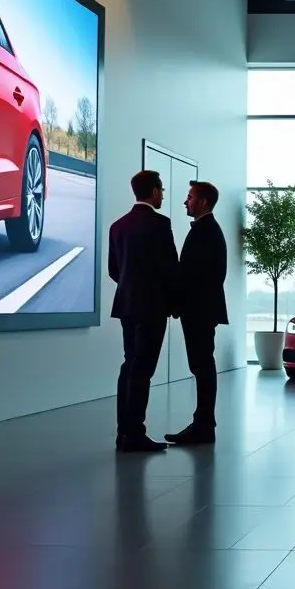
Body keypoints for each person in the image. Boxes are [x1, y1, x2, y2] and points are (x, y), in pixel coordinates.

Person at [108, 170, 178, 452]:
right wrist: (173, 301)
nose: (162, 194)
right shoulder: (160, 224)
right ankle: (135, 434)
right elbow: (169, 269)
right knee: (143, 369)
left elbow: (115, 271)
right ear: (153, 191)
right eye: (161, 189)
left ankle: (123, 433)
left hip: (126, 304)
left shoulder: (118, 226)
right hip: (152, 307)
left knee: (129, 365)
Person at [166, 181, 228, 446]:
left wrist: (178, 300)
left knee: (202, 366)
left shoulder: (207, 231)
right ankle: (203, 424)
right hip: (202, 310)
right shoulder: (207, 230)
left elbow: (195, 276)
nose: (185, 201)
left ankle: (203, 425)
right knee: (202, 365)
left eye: (189, 197)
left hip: (199, 311)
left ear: (203, 202)